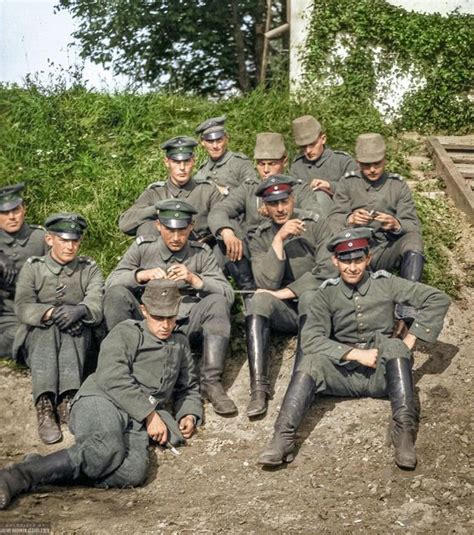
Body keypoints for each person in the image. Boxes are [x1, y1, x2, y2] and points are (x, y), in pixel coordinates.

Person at [0, 279, 202, 510]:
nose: (165, 324)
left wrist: (189, 413)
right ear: (144, 310)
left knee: (132, 473)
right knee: (106, 448)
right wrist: (150, 414)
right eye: (158, 317)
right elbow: (112, 377)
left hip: (134, 419)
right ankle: (17, 476)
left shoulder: (180, 343)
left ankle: (44, 468)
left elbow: (188, 387)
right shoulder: (126, 332)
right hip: (102, 399)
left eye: (170, 316)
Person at [258, 227, 450, 469]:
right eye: (345, 261)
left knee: (395, 346)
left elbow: (437, 299)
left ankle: (403, 433)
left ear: (368, 258)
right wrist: (356, 354)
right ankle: (282, 438)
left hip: (382, 374)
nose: (352, 267)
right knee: (310, 361)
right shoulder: (326, 293)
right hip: (343, 373)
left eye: (359, 260)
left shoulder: (386, 283)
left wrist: (410, 342)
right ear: (335, 261)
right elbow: (311, 339)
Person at [105, 199, 236, 416]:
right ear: (158, 226)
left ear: (191, 227)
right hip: (149, 324)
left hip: (184, 324)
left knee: (218, 301)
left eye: (182, 230)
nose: (176, 238)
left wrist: (195, 279)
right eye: (169, 230)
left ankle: (211, 382)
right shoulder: (143, 248)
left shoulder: (201, 253)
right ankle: (122, 364)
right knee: (116, 294)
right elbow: (111, 282)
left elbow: (228, 294)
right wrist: (141, 275)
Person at [244, 175, 336, 418]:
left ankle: (299, 386)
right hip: (285, 311)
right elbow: (266, 283)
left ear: (293, 199)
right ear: (265, 206)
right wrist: (278, 240)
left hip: (317, 307)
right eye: (273, 204)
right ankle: (258, 389)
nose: (280, 209)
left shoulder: (315, 224)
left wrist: (284, 292)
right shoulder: (260, 236)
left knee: (308, 297)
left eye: (285, 201)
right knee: (258, 300)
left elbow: (328, 270)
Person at [13, 213, 104, 445]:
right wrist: (52, 313)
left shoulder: (89, 268)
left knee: (75, 329)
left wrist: (80, 311)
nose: (70, 246)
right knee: (47, 330)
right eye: (63, 240)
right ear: (49, 240)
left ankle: (67, 399)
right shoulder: (34, 268)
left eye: (74, 241)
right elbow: (22, 306)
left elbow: (96, 301)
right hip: (38, 341)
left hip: (77, 339)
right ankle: (44, 404)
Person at [208, 132, 322, 291]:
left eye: (272, 163)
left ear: (284, 162)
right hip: (254, 252)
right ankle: (246, 293)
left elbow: (314, 216)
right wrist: (226, 231)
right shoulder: (249, 188)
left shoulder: (298, 188)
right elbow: (219, 210)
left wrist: (278, 210)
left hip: (289, 250)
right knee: (224, 243)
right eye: (261, 164)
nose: (266, 170)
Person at [329, 133, 424, 321]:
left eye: (377, 164)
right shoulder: (347, 183)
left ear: (385, 160)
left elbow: (413, 224)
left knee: (413, 240)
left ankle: (407, 304)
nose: (372, 170)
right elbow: (332, 219)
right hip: (354, 252)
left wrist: (395, 224)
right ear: (357, 163)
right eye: (366, 165)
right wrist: (350, 218)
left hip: (385, 249)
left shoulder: (397, 185)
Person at [118, 136, 222, 241]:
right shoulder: (155, 193)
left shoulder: (207, 190)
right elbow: (125, 224)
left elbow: (225, 218)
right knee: (147, 228)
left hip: (200, 253)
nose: (182, 168)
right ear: (167, 162)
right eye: (176, 162)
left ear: (194, 161)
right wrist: (157, 209)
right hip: (163, 254)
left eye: (186, 161)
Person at [0, 183, 48, 358]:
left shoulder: (40, 238)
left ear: (24, 209)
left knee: (35, 335)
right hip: (4, 312)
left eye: (16, 210)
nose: (12, 217)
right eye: (5, 213)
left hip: (33, 308)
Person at [290, 115, 357, 216]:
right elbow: (292, 196)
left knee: (320, 197)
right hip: (306, 221)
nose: (308, 151)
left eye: (312, 144)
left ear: (323, 139)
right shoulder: (297, 166)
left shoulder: (343, 161)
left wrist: (330, 186)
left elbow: (357, 190)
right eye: (303, 147)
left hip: (340, 220)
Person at [194, 116, 255, 194]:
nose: (215, 146)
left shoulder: (240, 163)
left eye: (219, 140)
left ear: (226, 139)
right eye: (210, 141)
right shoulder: (202, 170)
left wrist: (225, 192)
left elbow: (251, 194)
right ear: (202, 142)